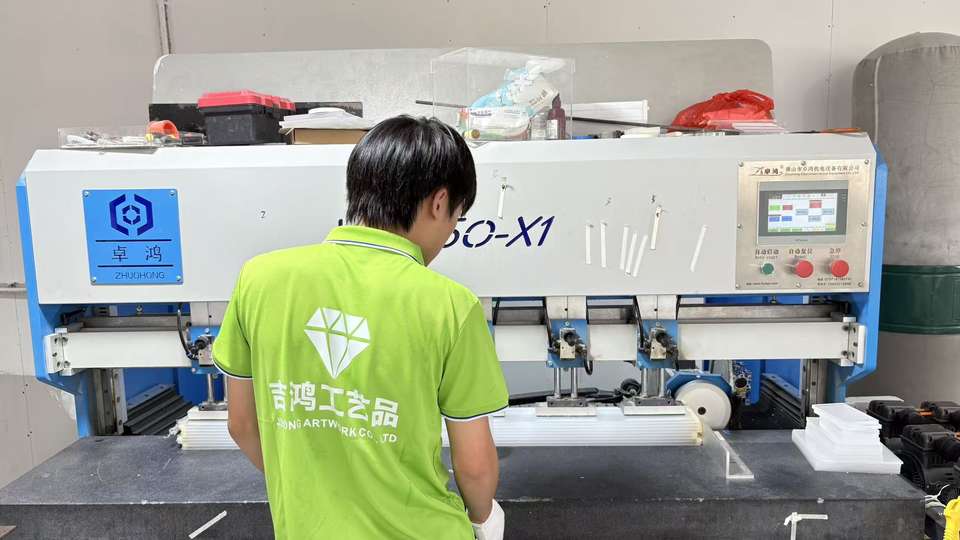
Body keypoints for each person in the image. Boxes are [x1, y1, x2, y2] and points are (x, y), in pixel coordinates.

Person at [213, 115, 509, 539]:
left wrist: (314, 491)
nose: (448, 236)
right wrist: (485, 521)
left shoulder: (258, 279)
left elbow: (241, 424)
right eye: (455, 220)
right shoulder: (451, 305)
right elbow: (475, 467)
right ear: (439, 203)